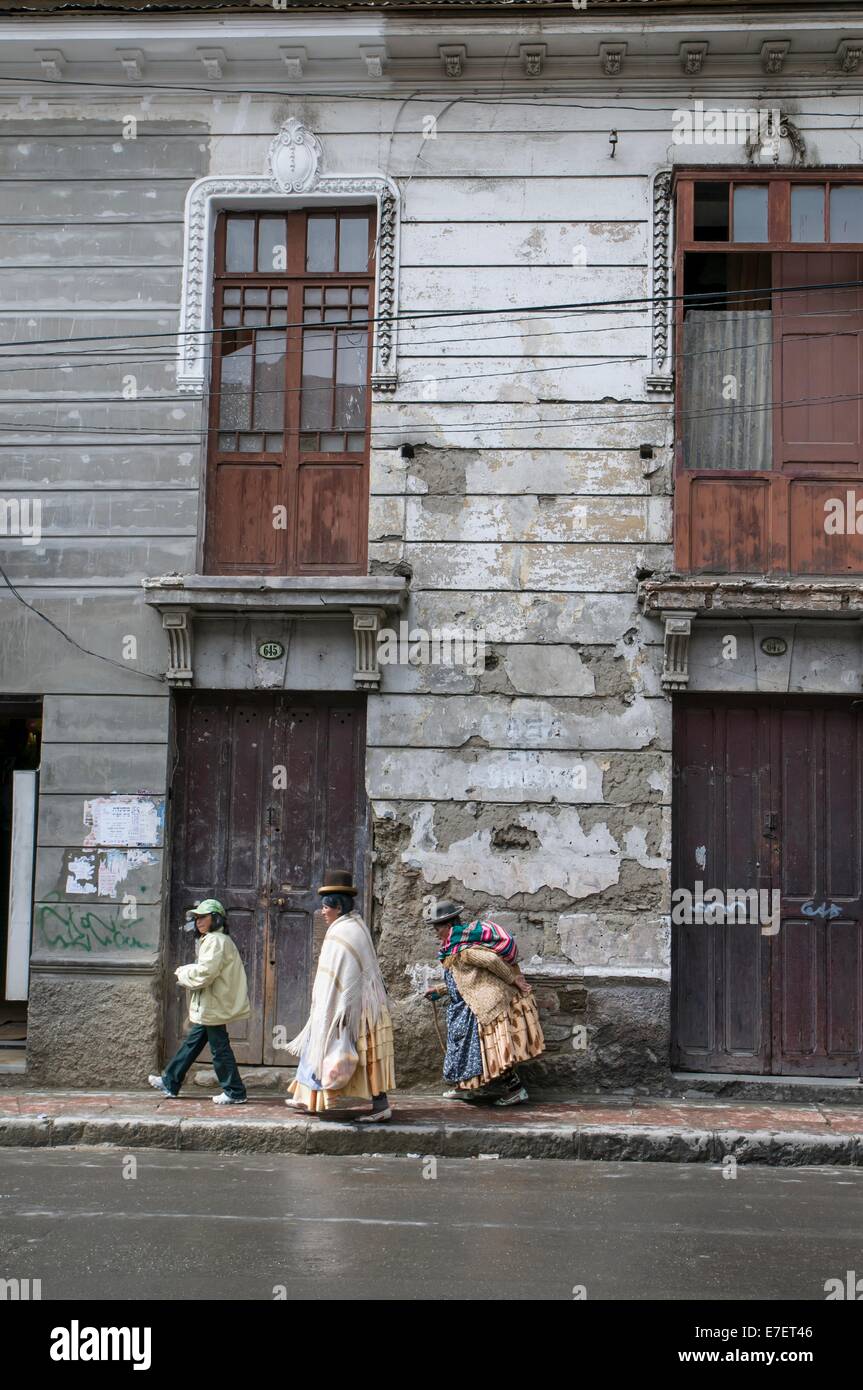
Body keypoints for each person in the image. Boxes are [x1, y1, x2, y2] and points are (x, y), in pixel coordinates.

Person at [286, 870, 395, 1123]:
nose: (322, 911)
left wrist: (332, 1005)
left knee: (366, 1056)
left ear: (337, 906)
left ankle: (381, 1106)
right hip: (354, 1006)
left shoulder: (345, 931)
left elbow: (347, 975)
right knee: (324, 1045)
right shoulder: (352, 925)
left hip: (356, 1008)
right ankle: (310, 1098)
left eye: (325, 907)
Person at [424, 899, 545, 1105]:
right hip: (464, 1006)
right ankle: (466, 1088)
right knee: (463, 1047)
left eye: (438, 927)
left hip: (483, 1006)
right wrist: (440, 990)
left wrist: (512, 979)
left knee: (493, 1052)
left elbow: (491, 961)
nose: (436, 932)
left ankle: (516, 1089)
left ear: (450, 926)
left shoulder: (465, 949)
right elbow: (463, 979)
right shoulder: (453, 948)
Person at [148, 898, 250, 1105]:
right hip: (212, 1002)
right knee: (193, 1044)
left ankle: (235, 1091)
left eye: (203, 917)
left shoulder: (215, 941)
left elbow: (206, 972)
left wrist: (182, 972)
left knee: (219, 1048)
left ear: (216, 918)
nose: (198, 921)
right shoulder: (216, 940)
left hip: (213, 1002)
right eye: (196, 918)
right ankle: (171, 1080)